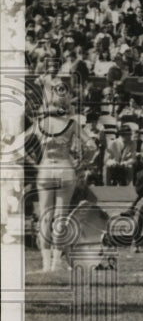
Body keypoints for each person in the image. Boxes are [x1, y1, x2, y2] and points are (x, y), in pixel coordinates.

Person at [21, 99, 83, 271]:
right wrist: (81, 163)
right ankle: (56, 263)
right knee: (61, 217)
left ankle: (46, 264)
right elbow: (92, 146)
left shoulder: (40, 125)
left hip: (46, 168)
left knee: (45, 217)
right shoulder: (72, 124)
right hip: (65, 168)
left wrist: (34, 164)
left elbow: (20, 145)